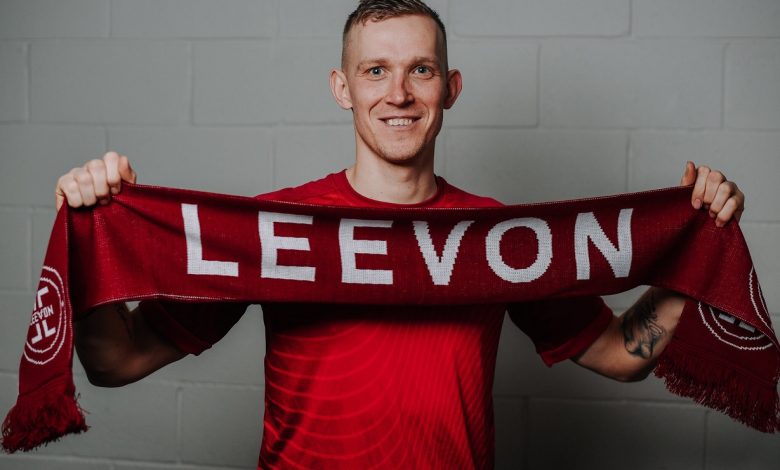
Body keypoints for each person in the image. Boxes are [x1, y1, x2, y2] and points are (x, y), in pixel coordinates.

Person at [53, 1, 745, 468]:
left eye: (422, 69)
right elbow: (116, 361)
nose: (400, 93)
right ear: (342, 88)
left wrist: (697, 249)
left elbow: (621, 355)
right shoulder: (275, 228)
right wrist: (92, 240)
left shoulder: (501, 239)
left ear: (451, 87)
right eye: (375, 70)